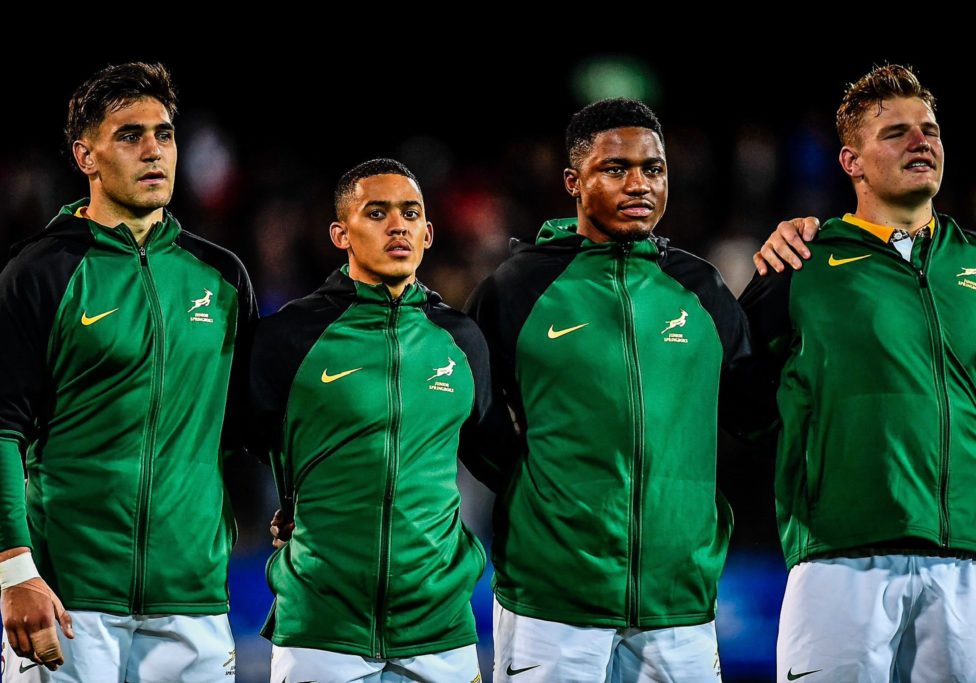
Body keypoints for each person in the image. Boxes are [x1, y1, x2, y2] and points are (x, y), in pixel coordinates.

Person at [0, 62, 257, 682]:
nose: (153, 150)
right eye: (129, 136)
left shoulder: (222, 277)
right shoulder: (39, 275)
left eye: (165, 134)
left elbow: (246, 421)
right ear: (85, 156)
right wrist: (16, 573)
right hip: (70, 597)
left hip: (194, 598)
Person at [465, 98, 752, 682]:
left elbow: (750, 411)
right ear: (574, 182)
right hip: (552, 602)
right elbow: (476, 423)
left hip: (680, 602)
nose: (639, 184)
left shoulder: (702, 289)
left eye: (653, 168)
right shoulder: (518, 288)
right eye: (615, 169)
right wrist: (545, 494)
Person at [739, 64, 976, 681]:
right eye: (895, 133)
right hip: (839, 560)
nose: (920, 141)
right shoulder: (798, 264)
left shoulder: (974, 265)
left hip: (969, 563)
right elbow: (737, 400)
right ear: (851, 162)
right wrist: (816, 464)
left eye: (929, 129)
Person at [251, 158, 506, 683]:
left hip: (441, 631)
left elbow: (497, 459)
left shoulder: (461, 340)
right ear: (340, 233)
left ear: (428, 233)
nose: (398, 225)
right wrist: (294, 500)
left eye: (411, 213)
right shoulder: (289, 337)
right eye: (377, 212)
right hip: (321, 630)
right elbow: (244, 438)